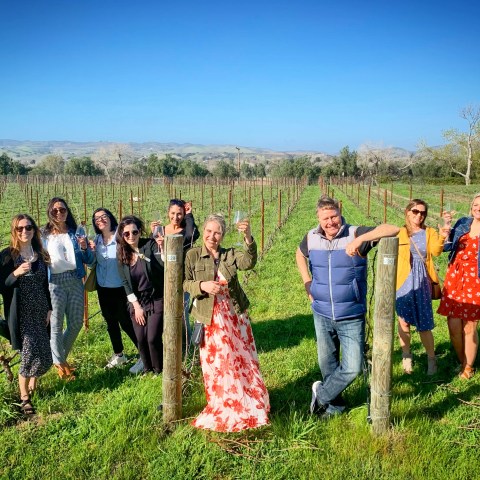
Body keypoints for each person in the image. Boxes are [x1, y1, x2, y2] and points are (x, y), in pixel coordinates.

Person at [296, 195, 399, 419]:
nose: (330, 222)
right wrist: (307, 283)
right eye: (325, 218)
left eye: (334, 216)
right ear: (318, 218)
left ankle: (320, 395)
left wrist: (359, 241)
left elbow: (393, 228)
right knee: (328, 367)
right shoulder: (311, 238)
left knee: (351, 367)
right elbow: (299, 254)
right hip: (321, 313)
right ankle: (334, 408)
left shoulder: (355, 233)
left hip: (351, 315)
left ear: (340, 213)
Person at [184, 214, 270, 432]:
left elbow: (249, 262)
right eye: (209, 231)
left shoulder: (229, 254)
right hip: (209, 317)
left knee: (241, 359)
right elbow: (184, 282)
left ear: (223, 235)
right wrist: (202, 285)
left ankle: (246, 401)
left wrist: (248, 238)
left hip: (233, 315)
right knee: (218, 363)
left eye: (217, 233)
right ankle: (223, 403)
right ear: (203, 230)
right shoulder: (192, 254)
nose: (212, 236)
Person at [0, 214, 52, 415]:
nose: (25, 231)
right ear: (14, 231)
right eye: (20, 228)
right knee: (29, 353)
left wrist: (49, 308)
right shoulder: (6, 256)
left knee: (44, 355)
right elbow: (1, 285)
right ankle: (24, 398)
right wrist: (15, 274)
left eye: (29, 227)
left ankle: (32, 384)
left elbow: (44, 284)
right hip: (21, 314)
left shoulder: (40, 254)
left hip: (40, 311)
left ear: (34, 230)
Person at [396, 199, 449, 375]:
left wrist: (442, 236)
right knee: (403, 321)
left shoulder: (429, 232)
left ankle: (431, 359)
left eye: (423, 213)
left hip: (422, 281)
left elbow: (436, 251)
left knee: (424, 323)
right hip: (402, 282)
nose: (419, 215)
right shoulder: (400, 232)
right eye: (415, 211)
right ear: (408, 212)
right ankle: (406, 356)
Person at [43, 197, 93, 380]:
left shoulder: (75, 232)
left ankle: (57, 359)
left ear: (67, 211)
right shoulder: (43, 235)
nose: (59, 213)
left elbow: (89, 260)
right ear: (50, 212)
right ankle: (62, 366)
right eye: (55, 210)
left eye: (62, 210)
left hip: (74, 279)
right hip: (54, 282)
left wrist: (85, 247)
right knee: (55, 326)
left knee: (76, 323)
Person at [89, 208, 142, 373]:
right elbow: (92, 263)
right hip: (102, 288)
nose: (101, 220)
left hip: (120, 287)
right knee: (110, 322)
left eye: (104, 216)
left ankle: (143, 354)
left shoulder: (120, 238)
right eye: (97, 218)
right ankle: (119, 355)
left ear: (110, 218)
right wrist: (88, 251)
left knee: (126, 322)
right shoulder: (96, 240)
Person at [438, 193, 480, 379]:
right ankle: (461, 360)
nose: (478, 208)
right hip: (455, 277)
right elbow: (446, 247)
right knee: (453, 325)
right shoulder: (463, 222)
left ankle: (468, 367)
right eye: (476, 204)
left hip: (475, 280)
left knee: (469, 326)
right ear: (471, 206)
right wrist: (446, 229)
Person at [117, 216, 164, 374]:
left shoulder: (149, 245)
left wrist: (162, 248)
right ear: (122, 235)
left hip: (155, 297)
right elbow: (125, 283)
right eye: (126, 234)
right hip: (137, 301)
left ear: (140, 231)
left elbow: (163, 264)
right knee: (141, 339)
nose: (131, 236)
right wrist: (136, 307)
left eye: (134, 232)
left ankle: (158, 369)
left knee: (152, 338)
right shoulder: (123, 253)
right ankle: (147, 368)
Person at [151, 198, 200, 350]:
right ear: (168, 213)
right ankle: (168, 345)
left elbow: (193, 235)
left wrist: (190, 215)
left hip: (180, 279)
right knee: (164, 314)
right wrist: (152, 232)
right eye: (173, 213)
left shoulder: (185, 232)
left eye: (180, 214)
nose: (176, 217)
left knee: (181, 314)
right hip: (161, 279)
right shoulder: (161, 231)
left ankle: (186, 346)